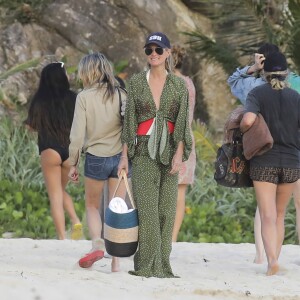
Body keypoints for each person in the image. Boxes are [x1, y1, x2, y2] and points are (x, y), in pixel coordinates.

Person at [118, 32, 192, 278]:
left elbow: (182, 123)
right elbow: (129, 121)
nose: (153, 54)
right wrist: (124, 157)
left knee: (166, 211)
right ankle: (147, 265)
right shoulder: (137, 82)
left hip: (170, 151)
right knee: (148, 210)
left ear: (168, 53)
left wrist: (179, 155)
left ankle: (163, 264)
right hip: (142, 151)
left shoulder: (179, 85)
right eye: (149, 50)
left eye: (159, 50)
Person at [227, 43, 300, 263]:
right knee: (279, 215)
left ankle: (271, 262)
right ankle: (276, 255)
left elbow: (248, 119)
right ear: (286, 73)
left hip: (264, 160)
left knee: (266, 215)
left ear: (265, 71)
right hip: (291, 162)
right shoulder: (295, 96)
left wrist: (243, 129)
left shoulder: (256, 91)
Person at [68, 52, 128, 272]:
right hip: (120, 159)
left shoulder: (84, 97)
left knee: (92, 206)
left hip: (95, 158)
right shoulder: (122, 94)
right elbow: (129, 130)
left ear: (88, 72)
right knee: (116, 209)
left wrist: (72, 162)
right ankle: (116, 263)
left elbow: (76, 135)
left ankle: (97, 244)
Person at [26, 62, 83, 240]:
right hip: (69, 151)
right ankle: (75, 221)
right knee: (60, 189)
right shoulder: (74, 98)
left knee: (55, 195)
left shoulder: (39, 100)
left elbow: (31, 126)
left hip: (49, 150)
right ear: (62, 77)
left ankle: (62, 237)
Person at [170, 45, 196, 242]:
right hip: (187, 140)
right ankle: (173, 238)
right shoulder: (188, 83)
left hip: (169, 139)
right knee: (179, 194)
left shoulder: (166, 83)